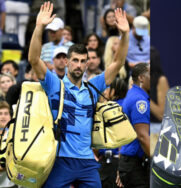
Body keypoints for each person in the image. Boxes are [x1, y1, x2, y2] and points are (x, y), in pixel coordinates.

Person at [27, 2, 129, 187]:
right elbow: (34, 59)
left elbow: (119, 62)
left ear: (87, 63)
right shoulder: (54, 85)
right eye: (75, 60)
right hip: (60, 159)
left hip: (88, 161)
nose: (79, 65)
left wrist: (125, 34)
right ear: (66, 62)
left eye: (83, 61)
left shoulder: (93, 86)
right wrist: (39, 27)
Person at [117, 63, 150, 188]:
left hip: (128, 163)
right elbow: (142, 136)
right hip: (135, 166)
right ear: (141, 78)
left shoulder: (131, 95)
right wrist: (159, 162)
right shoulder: (139, 101)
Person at [98, 78, 128, 188]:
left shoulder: (113, 108)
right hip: (121, 162)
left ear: (113, 91)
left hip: (113, 163)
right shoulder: (126, 105)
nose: (105, 91)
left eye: (108, 88)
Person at [0, 101, 16, 188]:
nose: (3, 116)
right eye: (0, 113)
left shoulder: (16, 134)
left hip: (14, 182)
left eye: (6, 113)